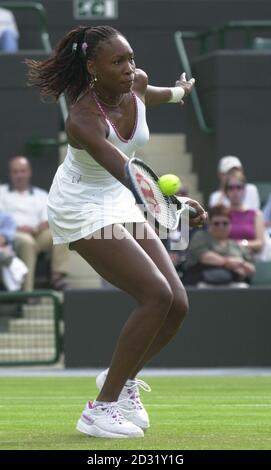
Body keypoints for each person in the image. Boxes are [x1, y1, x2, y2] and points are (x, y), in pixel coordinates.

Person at [26, 25, 206, 439]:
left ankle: (121, 380)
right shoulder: (83, 120)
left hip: (117, 195)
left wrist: (180, 93)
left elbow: (154, 95)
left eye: (132, 59)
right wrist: (174, 208)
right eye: (118, 62)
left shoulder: (137, 82)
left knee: (177, 303)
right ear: (92, 69)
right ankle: (99, 410)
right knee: (154, 295)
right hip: (80, 205)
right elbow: (125, 170)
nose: (130, 69)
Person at [0, 156, 69, 291]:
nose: (19, 175)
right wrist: (19, 228)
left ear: (29, 172)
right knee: (27, 243)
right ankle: (28, 293)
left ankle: (56, 279)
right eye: (15, 172)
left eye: (22, 171)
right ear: (10, 174)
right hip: (12, 235)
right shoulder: (1, 192)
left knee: (60, 233)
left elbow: (47, 220)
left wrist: (36, 228)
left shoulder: (40, 194)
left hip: (36, 233)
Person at [182, 205, 255, 286]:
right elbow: (205, 257)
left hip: (234, 286)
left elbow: (251, 269)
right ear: (210, 224)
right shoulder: (201, 236)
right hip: (203, 283)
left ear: (230, 224)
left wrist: (241, 263)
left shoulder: (236, 245)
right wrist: (228, 263)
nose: (221, 227)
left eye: (225, 223)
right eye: (216, 223)